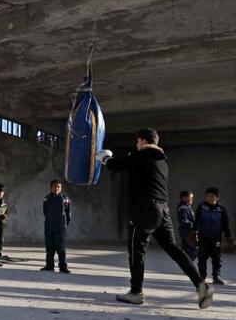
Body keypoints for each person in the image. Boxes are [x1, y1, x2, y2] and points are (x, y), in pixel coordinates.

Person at [97, 128, 213, 308]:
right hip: (162, 209)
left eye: (137, 141)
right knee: (174, 249)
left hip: (144, 209)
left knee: (137, 250)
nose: (136, 145)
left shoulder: (143, 155)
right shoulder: (162, 162)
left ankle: (136, 292)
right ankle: (201, 285)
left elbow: (116, 166)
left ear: (143, 140)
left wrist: (104, 157)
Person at [194, 187, 232, 285]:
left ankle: (216, 277)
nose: (209, 198)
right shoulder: (201, 207)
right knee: (202, 257)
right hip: (203, 237)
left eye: (212, 196)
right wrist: (193, 233)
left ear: (217, 197)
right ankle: (202, 276)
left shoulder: (221, 210)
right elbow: (196, 221)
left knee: (217, 258)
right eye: (207, 196)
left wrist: (229, 237)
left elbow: (225, 224)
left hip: (216, 238)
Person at [41, 179, 71, 273]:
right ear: (51, 188)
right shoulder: (47, 198)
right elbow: (45, 211)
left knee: (61, 247)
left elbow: (68, 212)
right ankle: (49, 266)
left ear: (61, 188)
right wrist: (50, 220)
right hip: (49, 226)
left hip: (60, 227)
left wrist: (64, 224)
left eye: (58, 186)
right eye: (54, 186)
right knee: (49, 246)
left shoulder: (65, 199)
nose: (56, 188)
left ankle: (63, 267)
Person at [177, 191, 197, 261]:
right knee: (193, 249)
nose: (192, 200)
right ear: (183, 198)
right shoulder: (183, 208)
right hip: (186, 232)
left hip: (188, 231)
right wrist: (193, 224)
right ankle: (186, 264)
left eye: (192, 198)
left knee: (186, 249)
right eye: (190, 198)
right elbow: (183, 220)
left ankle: (185, 263)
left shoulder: (187, 207)